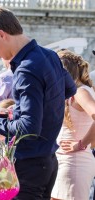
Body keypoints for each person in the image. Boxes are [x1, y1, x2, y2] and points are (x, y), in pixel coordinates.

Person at [0, 7, 77, 199]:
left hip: (30, 165)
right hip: (47, 160)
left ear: (1, 34)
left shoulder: (25, 69)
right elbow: (70, 89)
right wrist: (26, 108)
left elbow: (29, 128)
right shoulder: (49, 55)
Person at [51, 49, 95, 200]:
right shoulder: (79, 91)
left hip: (74, 162)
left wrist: (81, 144)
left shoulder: (80, 92)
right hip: (65, 161)